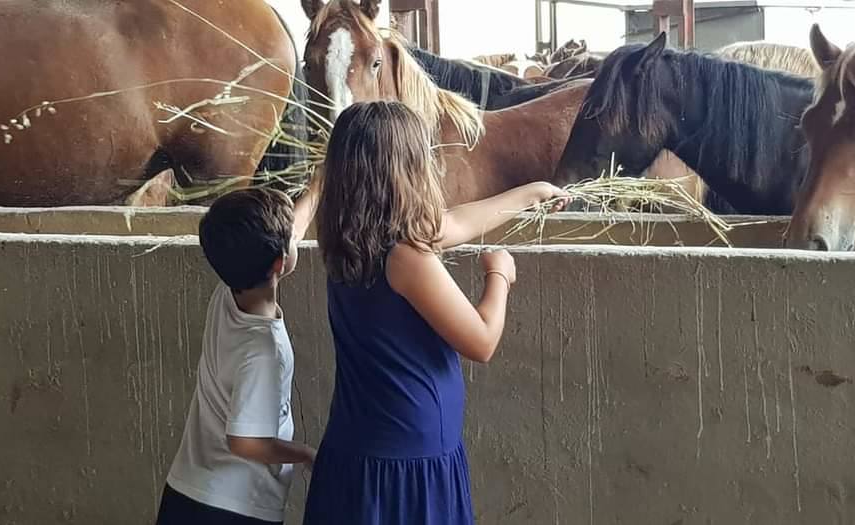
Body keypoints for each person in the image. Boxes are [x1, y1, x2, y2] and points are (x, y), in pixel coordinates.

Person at [301, 101, 568, 524]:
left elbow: (454, 221)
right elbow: (481, 341)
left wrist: (530, 193)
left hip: (359, 444)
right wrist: (499, 276)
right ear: (404, 170)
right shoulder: (408, 259)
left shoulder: (347, 240)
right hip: (409, 458)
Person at [157, 187, 318, 525]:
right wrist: (306, 454)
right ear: (280, 262)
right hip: (234, 507)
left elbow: (285, 239)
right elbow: (245, 442)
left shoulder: (230, 290)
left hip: (186, 489)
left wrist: (318, 187)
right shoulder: (263, 349)